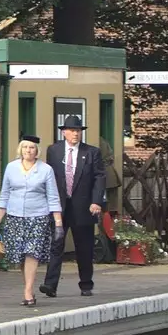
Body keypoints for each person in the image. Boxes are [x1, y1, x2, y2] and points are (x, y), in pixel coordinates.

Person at [0, 135, 63, 306]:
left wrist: (58, 223)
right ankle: (28, 286)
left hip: (37, 216)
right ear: (20, 149)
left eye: (32, 148)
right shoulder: (11, 168)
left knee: (32, 252)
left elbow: (53, 197)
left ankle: (28, 291)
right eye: (25, 147)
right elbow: (5, 195)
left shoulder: (46, 170)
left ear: (37, 151)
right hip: (15, 217)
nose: (28, 151)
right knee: (21, 255)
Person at [42, 114, 107, 298]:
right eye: (71, 131)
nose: (75, 134)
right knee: (56, 244)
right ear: (64, 133)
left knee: (84, 247)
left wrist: (96, 201)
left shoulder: (91, 152)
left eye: (78, 131)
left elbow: (99, 177)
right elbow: (50, 177)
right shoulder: (53, 151)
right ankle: (50, 284)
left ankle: (86, 284)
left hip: (83, 206)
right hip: (60, 207)